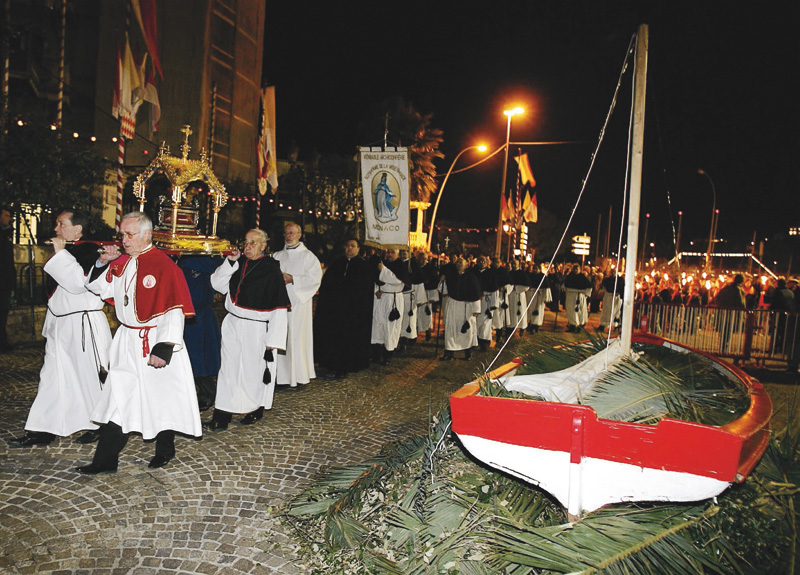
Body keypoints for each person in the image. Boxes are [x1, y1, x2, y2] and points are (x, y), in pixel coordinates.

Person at [76, 212, 200, 474]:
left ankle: (165, 449)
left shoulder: (164, 266)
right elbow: (101, 289)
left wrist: (165, 346)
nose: (124, 240)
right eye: (122, 234)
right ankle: (105, 461)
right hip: (127, 340)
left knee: (160, 396)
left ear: (147, 235)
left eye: (130, 235)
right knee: (118, 396)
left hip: (154, 339)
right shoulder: (122, 262)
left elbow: (173, 309)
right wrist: (102, 262)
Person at [10, 210, 112, 447]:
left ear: (78, 230)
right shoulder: (71, 251)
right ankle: (44, 428)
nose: (56, 229)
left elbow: (78, 284)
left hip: (83, 323)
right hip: (60, 322)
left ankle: (102, 425)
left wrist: (59, 252)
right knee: (52, 377)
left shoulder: (91, 250)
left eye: (61, 224)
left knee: (91, 376)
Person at [206, 229, 290, 430]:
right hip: (233, 322)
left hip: (257, 327)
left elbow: (279, 308)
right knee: (228, 368)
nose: (248, 246)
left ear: (263, 245)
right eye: (246, 242)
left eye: (253, 242)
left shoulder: (271, 269)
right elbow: (217, 284)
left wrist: (273, 341)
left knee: (253, 370)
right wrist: (230, 263)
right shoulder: (238, 263)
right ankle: (223, 412)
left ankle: (255, 408)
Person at [313, 238, 373, 378]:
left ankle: (347, 366)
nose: (349, 248)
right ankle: (330, 363)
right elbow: (327, 284)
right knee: (333, 337)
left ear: (358, 249)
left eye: (352, 246)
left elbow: (365, 290)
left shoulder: (363, 266)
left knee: (349, 339)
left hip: (353, 311)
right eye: (347, 246)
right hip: (335, 310)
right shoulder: (337, 263)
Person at [273, 222, 322, 389]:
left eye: (292, 233)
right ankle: (281, 376)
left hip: (298, 304)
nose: (288, 236)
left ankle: (299, 376)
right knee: (280, 338)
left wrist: (293, 279)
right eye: (286, 233)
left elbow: (315, 279)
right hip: (279, 304)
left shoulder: (308, 257)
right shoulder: (277, 256)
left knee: (296, 338)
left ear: (299, 234)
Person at [178, 256, 223, 411]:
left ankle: (206, 394)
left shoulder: (200, 259)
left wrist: (188, 261)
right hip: (178, 314)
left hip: (199, 315)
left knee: (200, 358)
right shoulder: (173, 260)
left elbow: (218, 266)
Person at [440, 258, 481, 360]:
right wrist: (442, 281)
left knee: (467, 329)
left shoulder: (471, 277)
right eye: (457, 262)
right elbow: (444, 291)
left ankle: (468, 352)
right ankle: (449, 352)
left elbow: (476, 294)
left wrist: (476, 309)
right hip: (453, 304)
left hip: (466, 306)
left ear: (466, 265)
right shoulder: (450, 275)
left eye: (461, 263)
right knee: (450, 329)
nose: (458, 264)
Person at [371, 248, 406, 365]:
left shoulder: (401, 266)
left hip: (393, 299)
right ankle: (376, 354)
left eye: (392, 252)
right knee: (377, 325)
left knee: (390, 327)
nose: (389, 254)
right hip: (381, 298)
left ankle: (388, 355)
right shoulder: (383, 263)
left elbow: (396, 280)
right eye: (388, 252)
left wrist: (383, 270)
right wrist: (377, 290)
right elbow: (376, 281)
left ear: (398, 254)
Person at [0, 206, 14, 352]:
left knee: (4, 311)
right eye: (6, 215)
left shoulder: (9, 232)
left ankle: (3, 341)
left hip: (5, 279)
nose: (8, 218)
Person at [563, 264, 592, 332]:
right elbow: (564, 286)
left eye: (577, 269)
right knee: (571, 311)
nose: (576, 270)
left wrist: (586, 294)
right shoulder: (569, 277)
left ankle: (580, 326)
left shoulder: (583, 277)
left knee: (580, 312)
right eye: (575, 269)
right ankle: (572, 326)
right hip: (571, 296)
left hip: (580, 296)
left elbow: (589, 287)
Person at [526, 263, 552, 333]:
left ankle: (536, 325)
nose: (534, 270)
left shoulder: (543, 277)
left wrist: (546, 298)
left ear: (539, 269)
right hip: (531, 294)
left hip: (539, 295)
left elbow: (547, 287)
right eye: (533, 268)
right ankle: (531, 323)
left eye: (536, 269)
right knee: (530, 309)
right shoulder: (530, 276)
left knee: (539, 310)